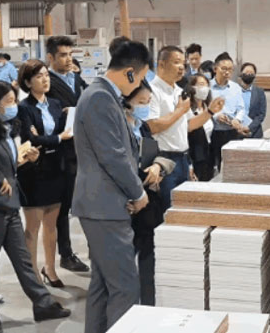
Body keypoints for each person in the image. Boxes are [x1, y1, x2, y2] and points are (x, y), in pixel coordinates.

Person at [0, 81, 69, 333]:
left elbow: (7, 166)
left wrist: (26, 159)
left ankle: (42, 303)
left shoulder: (4, 131)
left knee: (23, 260)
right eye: (9, 101)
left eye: (14, 100)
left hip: (10, 206)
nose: (14, 106)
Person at [71, 40, 151, 333]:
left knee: (103, 284)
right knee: (125, 287)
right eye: (140, 78)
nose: (139, 85)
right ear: (130, 72)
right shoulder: (100, 98)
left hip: (102, 205)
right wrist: (137, 192)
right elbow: (113, 155)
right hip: (104, 206)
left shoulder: (103, 95)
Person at [17, 60, 71, 287]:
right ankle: (32, 275)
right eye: (39, 76)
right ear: (28, 82)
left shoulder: (56, 104)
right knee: (33, 226)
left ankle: (50, 268)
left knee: (52, 224)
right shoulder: (23, 108)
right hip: (33, 171)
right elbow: (31, 139)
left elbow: (61, 132)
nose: (45, 80)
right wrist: (57, 138)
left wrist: (50, 138)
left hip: (55, 168)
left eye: (46, 75)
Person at [123, 79, 174, 306]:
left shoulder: (142, 126)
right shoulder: (118, 130)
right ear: (127, 102)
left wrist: (157, 166)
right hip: (126, 202)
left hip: (149, 199)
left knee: (149, 258)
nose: (145, 107)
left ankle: (148, 305)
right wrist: (134, 195)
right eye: (141, 102)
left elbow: (159, 152)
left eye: (148, 102)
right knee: (123, 264)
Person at [46, 35, 89, 273]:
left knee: (83, 201)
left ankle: (92, 249)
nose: (68, 59)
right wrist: (60, 113)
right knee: (62, 207)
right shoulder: (47, 82)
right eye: (63, 55)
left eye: (71, 54)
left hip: (82, 148)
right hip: (60, 151)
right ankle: (65, 253)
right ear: (50, 57)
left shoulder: (77, 79)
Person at [146, 46, 193, 210]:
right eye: (176, 62)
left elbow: (189, 125)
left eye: (183, 64)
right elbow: (152, 126)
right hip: (164, 160)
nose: (181, 67)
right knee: (168, 210)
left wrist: (210, 112)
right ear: (161, 64)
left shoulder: (179, 91)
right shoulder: (152, 91)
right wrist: (180, 111)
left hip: (183, 158)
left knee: (183, 209)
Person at [210, 51, 250, 169]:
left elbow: (241, 108)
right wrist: (216, 116)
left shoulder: (235, 87)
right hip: (213, 132)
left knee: (231, 165)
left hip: (231, 132)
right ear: (215, 69)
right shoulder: (208, 87)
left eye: (230, 69)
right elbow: (203, 108)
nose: (227, 72)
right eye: (224, 69)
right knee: (213, 165)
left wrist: (237, 119)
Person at [187, 74, 224, 181]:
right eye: (201, 84)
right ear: (192, 87)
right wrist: (189, 164)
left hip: (208, 155)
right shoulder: (188, 110)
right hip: (194, 156)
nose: (205, 88)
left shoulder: (207, 108)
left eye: (207, 85)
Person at [238, 62, 267, 138]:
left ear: (254, 76)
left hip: (254, 133)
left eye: (251, 73)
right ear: (241, 74)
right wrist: (238, 126)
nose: (248, 75)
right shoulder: (234, 91)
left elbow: (261, 114)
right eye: (246, 72)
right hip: (236, 131)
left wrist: (249, 127)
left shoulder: (259, 92)